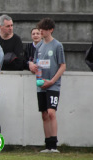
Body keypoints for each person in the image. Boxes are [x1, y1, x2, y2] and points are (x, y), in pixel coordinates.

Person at [29, 18, 66, 153]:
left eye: (43, 29)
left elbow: (62, 66)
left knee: (51, 112)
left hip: (53, 85)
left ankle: (54, 145)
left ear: (51, 30)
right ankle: (48, 145)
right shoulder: (38, 46)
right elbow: (36, 63)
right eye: (40, 29)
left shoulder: (57, 45)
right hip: (41, 84)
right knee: (44, 114)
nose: (41, 32)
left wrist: (52, 81)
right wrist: (32, 66)